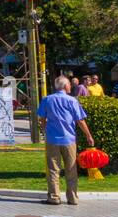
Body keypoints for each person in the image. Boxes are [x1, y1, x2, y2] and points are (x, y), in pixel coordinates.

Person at [36, 75, 95, 207]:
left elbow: (42, 118)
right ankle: (72, 197)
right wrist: (88, 135)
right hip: (69, 140)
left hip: (52, 139)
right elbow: (80, 120)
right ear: (64, 86)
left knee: (53, 169)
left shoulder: (47, 100)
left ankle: (54, 197)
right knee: (71, 169)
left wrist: (46, 130)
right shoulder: (72, 101)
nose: (70, 86)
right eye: (69, 84)